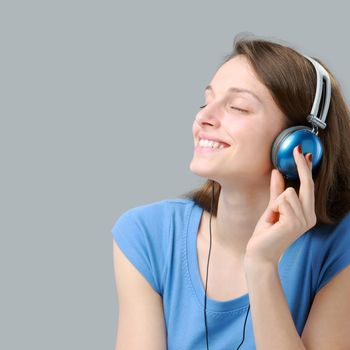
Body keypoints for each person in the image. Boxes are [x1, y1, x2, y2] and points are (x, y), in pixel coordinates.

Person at [111, 34, 350, 350]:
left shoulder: (340, 245)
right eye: (206, 101)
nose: (203, 118)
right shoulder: (147, 235)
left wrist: (262, 266)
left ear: (299, 143)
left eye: (237, 107)